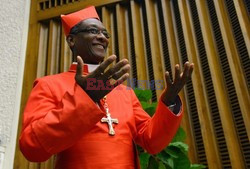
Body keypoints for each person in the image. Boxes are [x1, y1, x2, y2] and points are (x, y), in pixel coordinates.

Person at [19, 6, 194, 169]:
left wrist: (169, 101)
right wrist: (85, 98)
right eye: (93, 31)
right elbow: (32, 147)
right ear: (71, 40)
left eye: (105, 33)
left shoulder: (125, 92)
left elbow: (151, 141)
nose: (102, 37)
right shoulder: (49, 84)